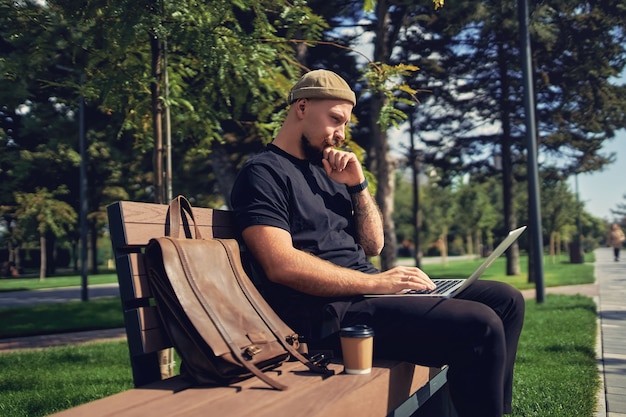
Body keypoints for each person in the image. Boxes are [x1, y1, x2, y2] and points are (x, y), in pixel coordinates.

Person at [230, 69, 525, 417]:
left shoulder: (329, 170)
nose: (340, 135)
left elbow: (373, 245)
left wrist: (357, 185)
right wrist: (377, 283)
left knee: (506, 300)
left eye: (345, 125)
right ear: (302, 107)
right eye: (335, 120)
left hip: (366, 298)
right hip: (326, 315)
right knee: (479, 323)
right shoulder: (263, 174)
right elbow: (281, 265)